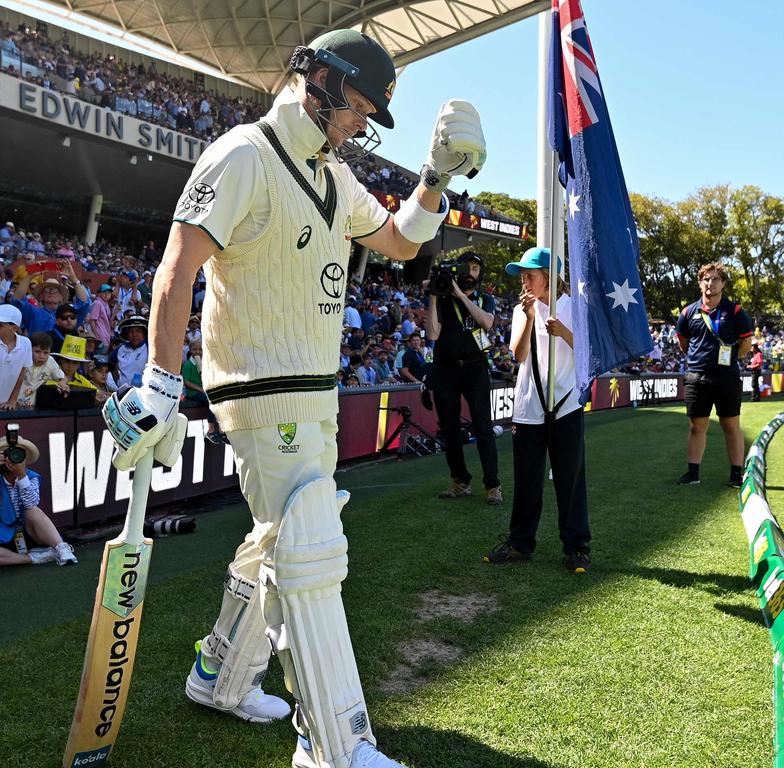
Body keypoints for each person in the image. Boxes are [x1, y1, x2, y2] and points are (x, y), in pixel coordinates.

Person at [101, 28, 484, 768]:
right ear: (324, 83)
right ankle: (334, 745)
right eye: (358, 109)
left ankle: (219, 675)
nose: (360, 126)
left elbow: (401, 242)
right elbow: (176, 269)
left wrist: (433, 179)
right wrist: (158, 381)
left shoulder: (333, 176)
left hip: (313, 391)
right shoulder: (244, 153)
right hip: (258, 388)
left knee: (280, 539)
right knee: (310, 544)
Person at [483, 247, 590, 574]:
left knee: (570, 478)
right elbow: (518, 354)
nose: (524, 282)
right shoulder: (521, 311)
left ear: (549, 278)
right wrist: (530, 319)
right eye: (523, 276)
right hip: (529, 406)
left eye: (531, 275)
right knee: (527, 478)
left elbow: (588, 353)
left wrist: (564, 332)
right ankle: (519, 543)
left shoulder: (575, 308)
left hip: (567, 404)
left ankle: (576, 548)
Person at [425, 252, 501, 503]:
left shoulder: (484, 299)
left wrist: (460, 295)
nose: (470, 271)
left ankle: (493, 485)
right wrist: (434, 297)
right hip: (446, 369)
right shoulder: (443, 298)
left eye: (476, 268)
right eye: (466, 266)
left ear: (480, 274)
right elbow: (433, 335)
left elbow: (487, 323)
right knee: (449, 428)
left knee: (483, 426)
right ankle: (460, 480)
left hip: (475, 368)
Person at [674, 261, 753, 487]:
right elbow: (683, 341)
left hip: (727, 378)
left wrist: (732, 357)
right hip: (697, 377)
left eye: (715, 279)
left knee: (731, 426)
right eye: (706, 279)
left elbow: (746, 341)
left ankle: (736, 475)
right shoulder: (688, 312)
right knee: (696, 426)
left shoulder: (735, 311)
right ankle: (693, 474)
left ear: (723, 283)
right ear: (700, 283)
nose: (711, 283)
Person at [0, 435, 77, 566]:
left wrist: (22, 474)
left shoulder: (31, 477)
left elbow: (32, 503)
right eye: (8, 454)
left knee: (33, 511)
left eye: (16, 454)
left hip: (29, 534)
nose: (12, 459)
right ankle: (35, 558)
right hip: (0, 539)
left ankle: (62, 549)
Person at [17, 331, 67, 407]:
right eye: (37, 351)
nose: (41, 356)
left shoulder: (50, 361)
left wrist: (63, 383)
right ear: (29, 350)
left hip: (31, 406)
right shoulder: (22, 358)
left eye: (46, 352)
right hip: (11, 402)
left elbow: (62, 377)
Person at [112, 314, 148, 388]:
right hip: (123, 390)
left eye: (138, 331)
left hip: (143, 392)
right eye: (131, 331)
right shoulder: (120, 349)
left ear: (144, 334)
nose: (134, 335)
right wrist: (117, 380)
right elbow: (110, 362)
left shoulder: (149, 348)